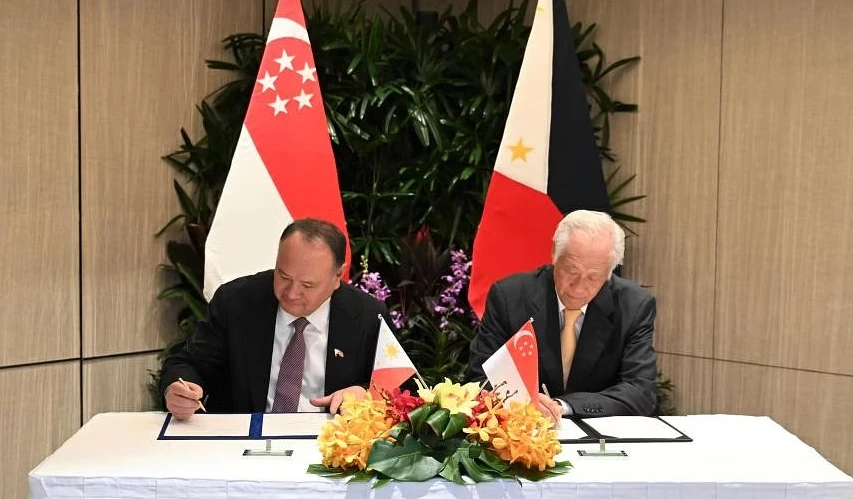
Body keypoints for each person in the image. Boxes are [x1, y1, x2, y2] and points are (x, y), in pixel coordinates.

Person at [161, 218, 392, 420]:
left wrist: (365, 393)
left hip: (330, 448)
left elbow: (398, 386)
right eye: (283, 276)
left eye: (307, 285)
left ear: (337, 277)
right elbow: (187, 364)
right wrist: (178, 388)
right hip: (242, 445)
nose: (291, 293)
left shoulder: (367, 316)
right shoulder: (236, 302)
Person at [466, 210, 657, 420]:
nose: (579, 287)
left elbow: (640, 392)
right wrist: (522, 404)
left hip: (597, 439)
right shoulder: (509, 297)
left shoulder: (633, 306)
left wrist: (562, 406)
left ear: (610, 272)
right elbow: (480, 380)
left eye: (594, 277)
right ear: (555, 255)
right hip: (523, 432)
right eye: (571, 271)